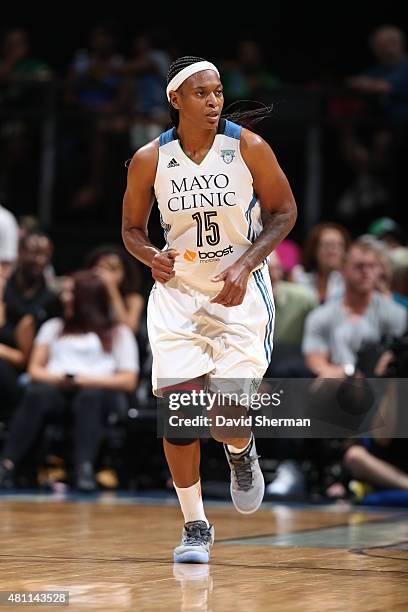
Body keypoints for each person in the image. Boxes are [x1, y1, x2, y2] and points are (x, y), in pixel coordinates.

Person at [122, 56, 297, 563]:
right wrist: (150, 255)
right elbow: (132, 230)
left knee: (226, 416)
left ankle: (241, 450)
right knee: (178, 416)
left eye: (218, 91)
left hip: (238, 294)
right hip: (179, 295)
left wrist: (246, 265)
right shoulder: (149, 159)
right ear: (176, 99)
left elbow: (285, 211)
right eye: (201, 93)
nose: (214, 100)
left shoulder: (247, 147)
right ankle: (195, 524)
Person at [0, 270, 139, 491]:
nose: (65, 298)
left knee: (89, 398)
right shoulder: (53, 327)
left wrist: (85, 380)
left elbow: (128, 379)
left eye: (71, 292)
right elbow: (35, 369)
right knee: (36, 394)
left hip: (100, 392)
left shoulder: (117, 332)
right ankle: (7, 465)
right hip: (58, 388)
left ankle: (84, 468)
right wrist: (62, 378)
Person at [85, 244, 145, 333]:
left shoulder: (133, 299)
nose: (104, 274)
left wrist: (112, 289)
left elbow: (129, 329)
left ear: (124, 273)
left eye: (112, 269)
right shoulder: (84, 295)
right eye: (100, 267)